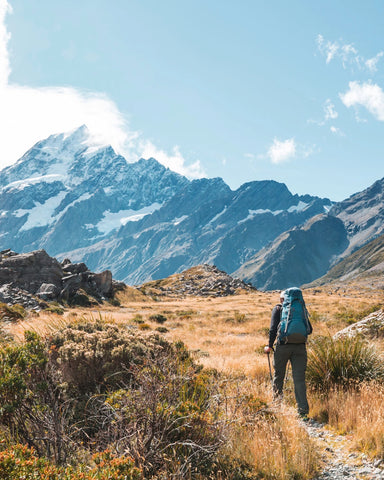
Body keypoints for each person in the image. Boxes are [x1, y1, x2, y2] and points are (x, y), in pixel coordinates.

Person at [264, 289, 312, 418]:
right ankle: (303, 412)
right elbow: (310, 329)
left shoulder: (278, 309)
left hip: (282, 347)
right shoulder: (301, 308)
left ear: (282, 299)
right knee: (299, 379)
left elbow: (273, 328)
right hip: (300, 348)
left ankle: (277, 406)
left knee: (279, 376)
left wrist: (269, 345)